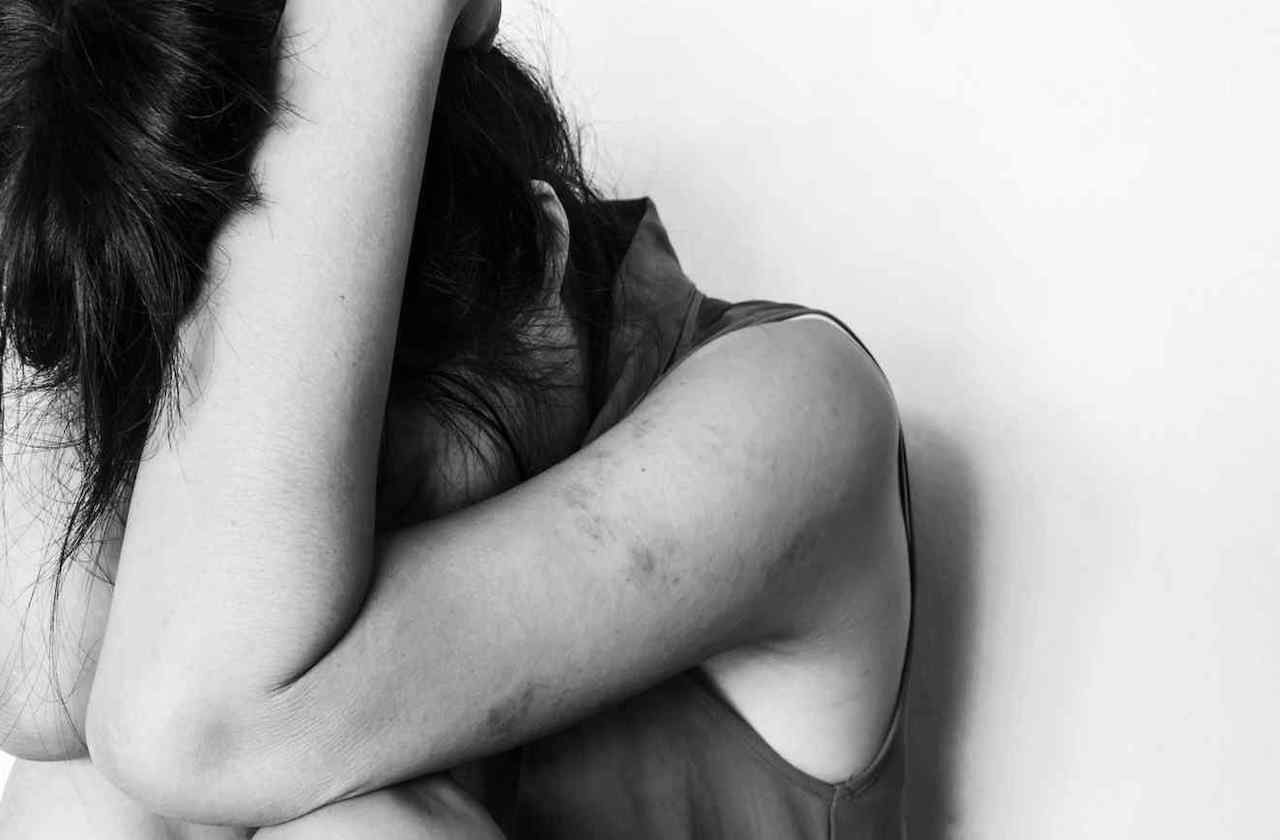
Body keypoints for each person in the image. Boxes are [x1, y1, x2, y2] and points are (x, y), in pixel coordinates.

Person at [0, 0, 915, 837]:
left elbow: (189, 725)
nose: (324, 564)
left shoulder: (792, 411)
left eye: (385, 488)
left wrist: (373, 25)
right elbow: (43, 679)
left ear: (540, 248)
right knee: (85, 790)